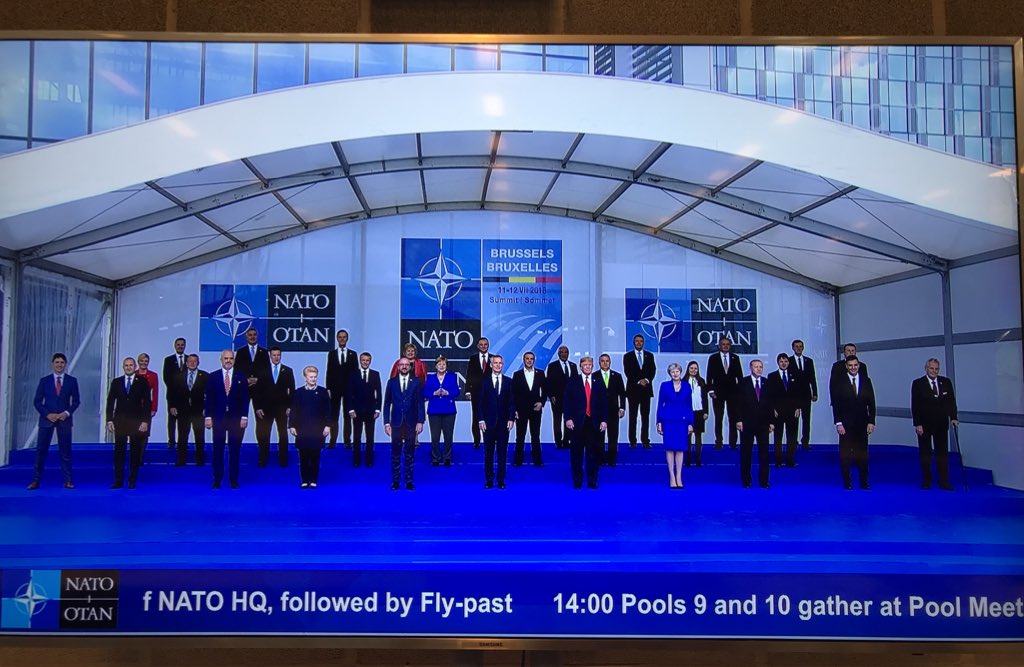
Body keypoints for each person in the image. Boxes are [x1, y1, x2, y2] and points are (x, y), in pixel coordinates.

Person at [27, 353, 81, 490]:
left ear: (65, 364)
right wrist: (47, 414)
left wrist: (66, 413)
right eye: (57, 362)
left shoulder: (72, 381)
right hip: (47, 420)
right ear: (52, 364)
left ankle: (68, 481)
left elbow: (76, 401)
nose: (59, 365)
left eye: (62, 362)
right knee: (41, 451)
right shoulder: (44, 381)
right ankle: (35, 481)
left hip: (64, 420)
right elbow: (37, 402)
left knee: (65, 451)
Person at [911, 358, 959, 490]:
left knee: (942, 453)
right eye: (931, 368)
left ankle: (944, 481)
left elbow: (951, 402)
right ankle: (927, 481)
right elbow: (915, 405)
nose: (934, 371)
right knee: (925, 453)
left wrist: (953, 417)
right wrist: (917, 424)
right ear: (926, 368)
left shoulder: (946, 382)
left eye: (936, 369)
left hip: (941, 424)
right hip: (924, 424)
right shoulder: (918, 383)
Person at [205, 349, 250, 489]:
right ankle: (217, 479)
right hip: (218, 418)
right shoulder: (213, 376)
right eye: (226, 358)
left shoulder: (241, 376)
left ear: (234, 360)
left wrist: (244, 416)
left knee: (234, 449)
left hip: (235, 419)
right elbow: (208, 399)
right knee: (217, 449)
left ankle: (233, 479)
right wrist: (208, 417)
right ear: (221, 360)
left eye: (231, 358)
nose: (228, 361)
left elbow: (245, 398)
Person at [105, 356, 152, 489]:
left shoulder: (142, 381)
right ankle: (118, 480)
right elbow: (110, 402)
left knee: (135, 452)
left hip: (136, 422)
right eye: (126, 365)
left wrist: (145, 421)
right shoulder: (116, 382)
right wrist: (109, 420)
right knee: (119, 452)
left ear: (135, 367)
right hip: (120, 422)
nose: (128, 367)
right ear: (123, 367)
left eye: (131, 365)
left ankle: (132, 480)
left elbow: (147, 403)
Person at [831, 355, 876, 490]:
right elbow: (836, 403)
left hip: (862, 424)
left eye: (855, 365)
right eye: (850, 365)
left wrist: (871, 421)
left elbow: (872, 403)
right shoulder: (839, 381)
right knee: (845, 454)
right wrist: (838, 423)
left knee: (863, 454)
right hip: (845, 425)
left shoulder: (866, 380)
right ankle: (847, 482)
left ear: (859, 365)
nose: (853, 368)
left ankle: (864, 482)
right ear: (846, 366)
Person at [563, 356, 608, 489]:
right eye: (585, 365)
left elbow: (604, 403)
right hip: (577, 423)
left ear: (592, 366)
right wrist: (568, 418)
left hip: (594, 423)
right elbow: (567, 401)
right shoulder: (573, 381)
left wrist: (604, 420)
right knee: (576, 453)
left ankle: (592, 481)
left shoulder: (598, 381)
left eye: (590, 365)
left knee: (593, 454)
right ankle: (577, 481)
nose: (588, 367)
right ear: (580, 366)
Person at [382, 358, 424, 490]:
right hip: (396, 423)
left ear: (410, 367)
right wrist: (386, 423)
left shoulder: (416, 382)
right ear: (398, 367)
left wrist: (420, 421)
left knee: (410, 453)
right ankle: (395, 481)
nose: (404, 367)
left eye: (407, 365)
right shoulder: (391, 382)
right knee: (395, 453)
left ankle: (409, 481)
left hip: (411, 422)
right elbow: (387, 404)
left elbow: (420, 403)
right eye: (402, 365)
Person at [289, 365, 331, 488]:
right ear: (305, 378)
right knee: (303, 456)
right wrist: (292, 426)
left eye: (315, 377)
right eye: (311, 377)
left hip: (318, 430)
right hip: (302, 429)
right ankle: (304, 480)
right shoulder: (299, 392)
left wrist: (328, 425)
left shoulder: (323, 392)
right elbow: (294, 410)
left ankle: (313, 480)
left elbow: (328, 410)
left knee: (315, 456)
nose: (313, 379)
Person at [736, 359, 775, 489]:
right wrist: (738, 420)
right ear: (751, 368)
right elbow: (738, 403)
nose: (759, 369)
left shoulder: (767, 383)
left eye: (760, 367)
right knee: (746, 453)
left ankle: (764, 481)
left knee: (764, 453)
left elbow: (770, 404)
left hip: (763, 424)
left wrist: (772, 422)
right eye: (756, 367)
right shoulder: (743, 382)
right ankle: (746, 480)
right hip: (747, 423)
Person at [478, 354, 515, 489]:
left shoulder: (509, 381)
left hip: (504, 423)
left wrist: (511, 418)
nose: (498, 365)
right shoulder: (484, 381)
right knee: (488, 452)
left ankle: (500, 480)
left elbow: (512, 402)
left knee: (502, 452)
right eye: (495, 363)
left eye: (500, 363)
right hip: (488, 423)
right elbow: (480, 403)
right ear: (491, 365)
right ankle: (489, 480)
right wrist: (481, 419)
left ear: (502, 365)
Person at [656, 363, 695, 489]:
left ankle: (679, 476)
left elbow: (689, 406)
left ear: (680, 372)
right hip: (668, 421)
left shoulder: (687, 386)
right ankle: (672, 477)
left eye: (677, 371)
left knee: (680, 449)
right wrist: (659, 422)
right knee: (669, 448)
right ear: (670, 374)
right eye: (672, 372)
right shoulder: (664, 386)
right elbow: (660, 405)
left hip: (682, 421)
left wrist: (691, 423)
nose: (675, 374)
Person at [255, 347, 294, 467]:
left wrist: (290, 407)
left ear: (281, 355)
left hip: (282, 408)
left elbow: (292, 390)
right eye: (274, 355)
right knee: (264, 434)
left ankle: (283, 459)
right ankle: (263, 458)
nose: (276, 357)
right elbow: (257, 391)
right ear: (270, 356)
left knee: (283, 434)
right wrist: (258, 407)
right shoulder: (262, 371)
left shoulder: (287, 371)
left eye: (278, 355)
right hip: (266, 408)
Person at [766, 353, 807, 468]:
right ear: (778, 362)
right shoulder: (772, 376)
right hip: (777, 412)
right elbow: (769, 395)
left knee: (792, 437)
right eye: (781, 361)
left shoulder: (795, 375)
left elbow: (799, 393)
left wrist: (798, 407)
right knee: (778, 437)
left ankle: (790, 460)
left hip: (792, 411)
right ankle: (778, 461)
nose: (783, 364)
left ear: (788, 362)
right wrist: (772, 409)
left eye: (785, 361)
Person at [169, 353, 207, 466]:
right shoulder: (178, 376)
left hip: (198, 411)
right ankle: (181, 460)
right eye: (190, 361)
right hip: (183, 410)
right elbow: (172, 392)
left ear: (198, 363)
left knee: (199, 436)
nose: (192, 363)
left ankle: (200, 460)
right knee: (182, 436)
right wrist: (172, 405)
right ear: (186, 363)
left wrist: (207, 408)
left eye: (195, 361)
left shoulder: (205, 376)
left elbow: (209, 394)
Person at [706, 337, 743, 449]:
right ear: (719, 345)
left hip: (733, 393)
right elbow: (709, 375)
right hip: (717, 393)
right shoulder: (713, 358)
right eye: (723, 344)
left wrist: (741, 392)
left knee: (733, 418)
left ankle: (733, 443)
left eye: (728, 344)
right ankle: (719, 442)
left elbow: (740, 376)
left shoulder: (735, 358)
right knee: (718, 418)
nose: (726, 346)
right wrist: (711, 390)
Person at [423, 355, 460, 466]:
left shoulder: (452, 377)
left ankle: (447, 457)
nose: (442, 366)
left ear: (446, 366)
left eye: (444, 364)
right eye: (439, 364)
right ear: (436, 366)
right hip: (434, 411)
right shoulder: (430, 377)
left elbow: (457, 391)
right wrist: (433, 393)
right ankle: (435, 458)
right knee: (435, 436)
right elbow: (424, 392)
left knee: (448, 436)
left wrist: (447, 392)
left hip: (449, 411)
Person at [347, 352, 382, 467]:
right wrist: (350, 409)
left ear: (370, 361)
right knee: (356, 436)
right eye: (363, 360)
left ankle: (369, 460)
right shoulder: (353, 374)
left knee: (370, 436)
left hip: (371, 411)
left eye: (367, 360)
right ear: (360, 361)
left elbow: (379, 393)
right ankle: (356, 460)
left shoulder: (375, 374)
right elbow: (349, 393)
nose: (365, 362)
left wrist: (378, 409)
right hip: (356, 411)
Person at [511, 351, 546, 467]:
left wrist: (541, 402)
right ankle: (518, 460)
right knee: (520, 436)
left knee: (535, 435)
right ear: (523, 360)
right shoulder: (517, 375)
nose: (529, 361)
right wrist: (515, 409)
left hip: (536, 409)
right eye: (527, 358)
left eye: (531, 359)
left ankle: (537, 460)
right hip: (521, 410)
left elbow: (545, 390)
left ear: (534, 360)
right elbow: (513, 394)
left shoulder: (540, 373)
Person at [326, 329, 358, 449]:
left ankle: (347, 441)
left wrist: (354, 389)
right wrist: (328, 388)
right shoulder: (331, 354)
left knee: (348, 415)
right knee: (334, 416)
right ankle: (332, 441)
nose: (342, 339)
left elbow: (355, 373)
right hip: (334, 389)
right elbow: (329, 371)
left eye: (344, 337)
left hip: (349, 389)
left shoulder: (353, 354)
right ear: (337, 338)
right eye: (340, 337)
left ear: (347, 338)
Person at [623, 334, 656, 448]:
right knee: (633, 416)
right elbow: (628, 371)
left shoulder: (649, 356)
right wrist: (638, 380)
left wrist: (646, 380)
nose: (639, 343)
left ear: (643, 343)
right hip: (633, 390)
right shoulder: (627, 356)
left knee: (645, 417)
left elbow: (653, 370)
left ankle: (645, 440)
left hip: (646, 390)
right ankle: (632, 441)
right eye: (637, 341)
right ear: (633, 342)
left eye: (641, 341)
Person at [596, 353, 626, 466]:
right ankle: (600, 459)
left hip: (613, 411)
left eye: (607, 361)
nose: (605, 363)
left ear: (610, 362)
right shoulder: (594, 376)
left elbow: (622, 393)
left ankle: (612, 459)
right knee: (599, 436)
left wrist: (622, 407)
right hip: (599, 411)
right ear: (599, 363)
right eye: (602, 361)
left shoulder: (617, 376)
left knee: (613, 435)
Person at [545, 345, 577, 449]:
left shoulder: (573, 366)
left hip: (571, 399)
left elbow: (576, 383)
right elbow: (548, 382)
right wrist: (551, 395)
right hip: (557, 399)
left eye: (565, 352)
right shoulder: (552, 366)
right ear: (558, 354)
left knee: (569, 419)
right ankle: (558, 441)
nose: (564, 354)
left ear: (568, 354)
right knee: (557, 420)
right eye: (561, 352)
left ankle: (567, 440)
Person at [234, 327, 270, 419]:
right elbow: (237, 370)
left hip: (259, 389)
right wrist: (246, 380)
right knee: (240, 417)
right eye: (250, 335)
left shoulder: (264, 352)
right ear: (246, 337)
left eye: (254, 335)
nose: (252, 337)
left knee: (261, 418)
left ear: (257, 336)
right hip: (244, 388)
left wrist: (258, 379)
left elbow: (267, 370)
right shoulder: (240, 352)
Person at [788, 339, 817, 450]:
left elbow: (812, 378)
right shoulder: (789, 361)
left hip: (806, 395)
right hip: (793, 396)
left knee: (806, 420)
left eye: (800, 346)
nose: (798, 348)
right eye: (796, 346)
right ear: (793, 348)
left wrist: (815, 392)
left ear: (803, 348)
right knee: (794, 420)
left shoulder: (808, 361)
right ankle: (793, 442)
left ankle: (805, 442)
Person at [464, 337, 492, 449]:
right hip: (476, 393)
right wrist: (467, 390)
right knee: (476, 417)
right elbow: (469, 375)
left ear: (488, 345)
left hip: (490, 393)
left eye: (485, 344)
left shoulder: (493, 358)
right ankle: (476, 441)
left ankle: (489, 440)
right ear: (478, 346)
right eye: (481, 344)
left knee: (489, 417)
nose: (483, 346)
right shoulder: (473, 358)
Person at [162, 337, 187, 452]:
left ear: (185, 346)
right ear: (175, 346)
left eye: (182, 344)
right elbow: (166, 378)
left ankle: (182, 442)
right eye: (178, 344)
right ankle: (171, 441)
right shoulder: (168, 360)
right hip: (172, 395)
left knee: (184, 420)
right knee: (172, 419)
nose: (180, 346)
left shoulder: (189, 359)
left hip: (186, 396)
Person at [683, 361, 709, 467]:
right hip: (687, 412)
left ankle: (698, 458)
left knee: (698, 436)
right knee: (687, 436)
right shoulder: (683, 381)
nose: (693, 370)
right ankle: (688, 458)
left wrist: (706, 411)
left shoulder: (701, 381)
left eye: (695, 368)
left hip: (699, 412)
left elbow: (705, 398)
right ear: (688, 369)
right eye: (691, 368)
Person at [135, 352, 159, 462]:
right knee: (135, 432)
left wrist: (154, 408)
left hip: (147, 407)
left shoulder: (153, 375)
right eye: (142, 361)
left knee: (144, 432)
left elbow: (155, 392)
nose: (144, 363)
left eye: (146, 361)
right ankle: (135, 456)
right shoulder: (134, 374)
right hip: (134, 407)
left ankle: (140, 457)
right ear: (138, 362)